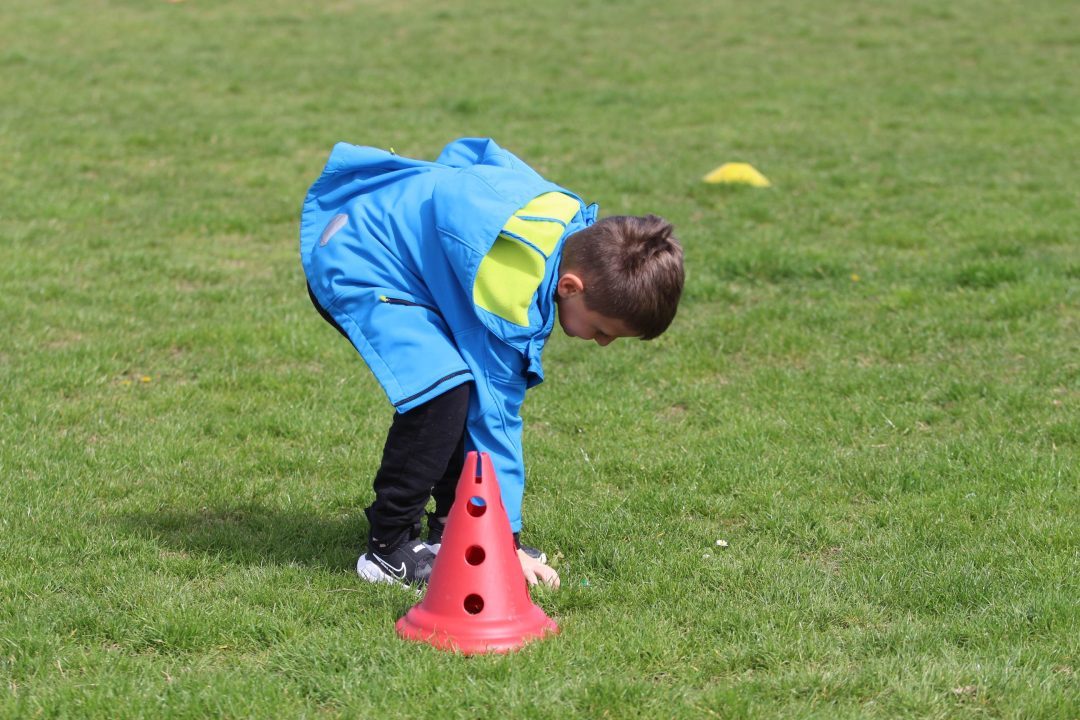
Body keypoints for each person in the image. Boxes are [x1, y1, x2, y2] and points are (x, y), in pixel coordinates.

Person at [299, 138, 683, 589]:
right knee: (443, 392)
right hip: (359, 258)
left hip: (387, 244)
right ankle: (389, 546)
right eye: (603, 330)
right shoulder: (508, 296)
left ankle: (459, 526)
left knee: (460, 385)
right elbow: (495, 420)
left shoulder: (562, 219)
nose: (602, 343)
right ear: (570, 287)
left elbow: (479, 154)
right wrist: (506, 542)